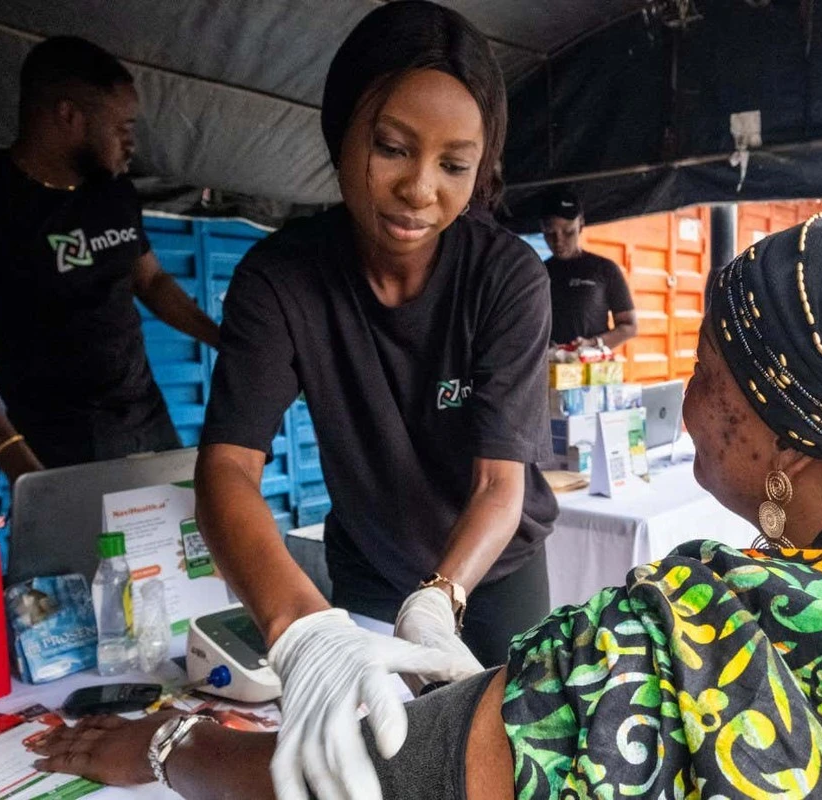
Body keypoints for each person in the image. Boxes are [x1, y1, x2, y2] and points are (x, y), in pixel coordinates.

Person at [33, 216, 822, 800]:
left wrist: (169, 747)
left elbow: (385, 777)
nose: (691, 402)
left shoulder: (714, 629)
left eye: (707, 369)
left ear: (789, 438)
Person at [188, 3, 557, 797]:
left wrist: (439, 599)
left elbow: (502, 486)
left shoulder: (506, 280)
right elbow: (225, 468)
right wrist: (302, 627)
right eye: (392, 148)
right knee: (361, 770)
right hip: (365, 564)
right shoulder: (280, 280)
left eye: (455, 165)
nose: (418, 191)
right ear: (341, 133)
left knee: (507, 764)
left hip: (490, 571)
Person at [0, 37, 220, 478]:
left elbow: (150, 281)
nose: (130, 144)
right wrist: (19, 464)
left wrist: (222, 338)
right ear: (68, 116)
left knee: (180, 543)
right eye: (122, 127)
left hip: (146, 412)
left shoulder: (112, 191)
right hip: (58, 437)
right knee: (89, 548)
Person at [539, 188, 637, 349]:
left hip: (593, 369)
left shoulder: (605, 269)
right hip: (550, 369)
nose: (559, 241)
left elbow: (630, 327)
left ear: (581, 226)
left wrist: (592, 344)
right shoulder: (539, 273)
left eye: (568, 232)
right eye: (550, 233)